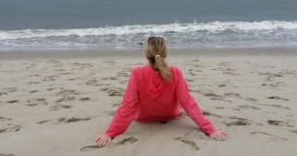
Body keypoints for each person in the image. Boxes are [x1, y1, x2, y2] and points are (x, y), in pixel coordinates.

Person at [96, 36, 226, 147]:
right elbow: (188, 104)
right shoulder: (175, 72)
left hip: (142, 118)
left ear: (146, 56)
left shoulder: (137, 73)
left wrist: (109, 133)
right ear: (165, 54)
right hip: (171, 115)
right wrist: (210, 130)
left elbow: (128, 106)